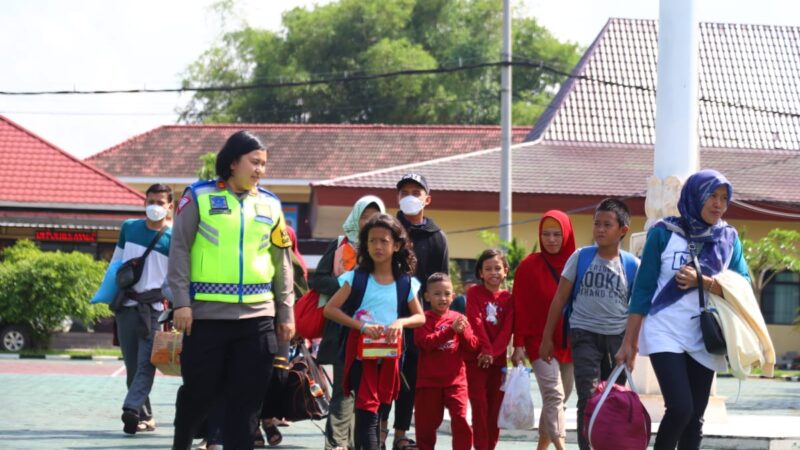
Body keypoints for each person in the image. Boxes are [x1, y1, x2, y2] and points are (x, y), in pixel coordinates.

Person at [168, 130, 295, 450]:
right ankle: (182, 441)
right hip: (206, 317)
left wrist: (286, 311)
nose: (260, 170)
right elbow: (179, 249)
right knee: (200, 394)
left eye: (264, 164)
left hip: (258, 319)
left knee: (248, 404)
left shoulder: (271, 204)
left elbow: (282, 262)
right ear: (233, 161)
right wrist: (181, 302)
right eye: (254, 162)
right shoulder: (198, 196)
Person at [615, 170, 751, 450]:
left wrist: (706, 282)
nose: (718, 204)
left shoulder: (728, 238)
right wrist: (630, 341)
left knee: (695, 418)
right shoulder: (663, 233)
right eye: (712, 195)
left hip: (706, 334)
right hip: (664, 329)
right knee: (680, 407)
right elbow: (643, 290)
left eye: (724, 198)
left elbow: (743, 285)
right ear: (694, 195)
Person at [539, 198, 639, 450]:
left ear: (623, 230)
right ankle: (587, 446)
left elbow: (637, 311)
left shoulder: (631, 265)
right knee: (589, 394)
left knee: (614, 396)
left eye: (607, 225)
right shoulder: (580, 257)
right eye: (597, 224)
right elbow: (560, 297)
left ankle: (608, 444)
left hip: (617, 339)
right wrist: (547, 337)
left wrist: (632, 348)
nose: (600, 230)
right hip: (583, 334)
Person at [323, 213, 426, 450]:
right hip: (361, 357)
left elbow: (420, 317)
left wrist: (400, 323)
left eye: (384, 241)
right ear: (365, 245)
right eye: (372, 241)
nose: (378, 246)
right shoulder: (356, 278)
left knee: (378, 411)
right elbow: (330, 309)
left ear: (397, 245)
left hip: (391, 359)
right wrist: (363, 327)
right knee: (368, 412)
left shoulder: (406, 283)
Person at [312, 195, 386, 450]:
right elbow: (318, 279)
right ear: (356, 217)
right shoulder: (339, 245)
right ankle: (335, 444)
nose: (369, 222)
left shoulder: (383, 248)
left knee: (368, 390)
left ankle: (359, 443)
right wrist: (346, 287)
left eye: (375, 217)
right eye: (365, 216)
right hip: (342, 326)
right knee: (345, 388)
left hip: (376, 329)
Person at [391, 172, 450, 450]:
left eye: (416, 192)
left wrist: (436, 319)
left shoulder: (437, 237)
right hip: (386, 316)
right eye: (404, 192)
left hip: (419, 321)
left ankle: (400, 433)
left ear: (427, 199)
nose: (409, 197)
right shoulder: (388, 230)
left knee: (410, 378)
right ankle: (375, 432)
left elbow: (442, 281)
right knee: (380, 374)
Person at [109, 183, 173, 435]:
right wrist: (108, 296)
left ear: (169, 206)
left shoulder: (174, 239)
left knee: (147, 362)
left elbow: (174, 279)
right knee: (132, 365)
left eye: (160, 202)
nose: (154, 206)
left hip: (154, 310)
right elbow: (116, 263)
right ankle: (145, 416)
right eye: (150, 201)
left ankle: (131, 408)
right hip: (126, 306)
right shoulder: (129, 228)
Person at [511, 210, 576, 450]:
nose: (551, 239)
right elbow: (520, 307)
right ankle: (562, 448)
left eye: (557, 234)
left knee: (559, 400)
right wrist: (518, 345)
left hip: (570, 342)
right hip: (538, 342)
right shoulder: (529, 266)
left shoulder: (578, 263)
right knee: (554, 396)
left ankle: (541, 447)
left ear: (567, 235)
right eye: (546, 234)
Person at [256, 225, 310, 447]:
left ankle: (268, 417)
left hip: (284, 325)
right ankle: (257, 423)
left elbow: (302, 295)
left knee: (278, 375)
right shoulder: (256, 258)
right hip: (256, 319)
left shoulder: (296, 264)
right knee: (254, 375)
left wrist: (299, 325)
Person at [413, 272, 478, 450]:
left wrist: (462, 331)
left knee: (461, 419)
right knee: (425, 427)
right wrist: (451, 331)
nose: (443, 298)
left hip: (456, 382)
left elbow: (473, 346)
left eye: (447, 294)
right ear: (427, 296)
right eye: (437, 294)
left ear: (453, 296)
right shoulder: (422, 318)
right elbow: (425, 343)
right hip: (429, 383)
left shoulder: (459, 318)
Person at [465, 249, 514, 450]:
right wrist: (485, 351)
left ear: (505, 271)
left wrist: (492, 354)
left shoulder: (510, 299)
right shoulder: (474, 293)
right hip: (476, 360)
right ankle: (481, 447)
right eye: (488, 269)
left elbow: (507, 329)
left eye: (497, 268)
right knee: (479, 407)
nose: (493, 272)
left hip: (498, 362)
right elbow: (475, 322)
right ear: (480, 273)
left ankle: (490, 446)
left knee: (495, 409)